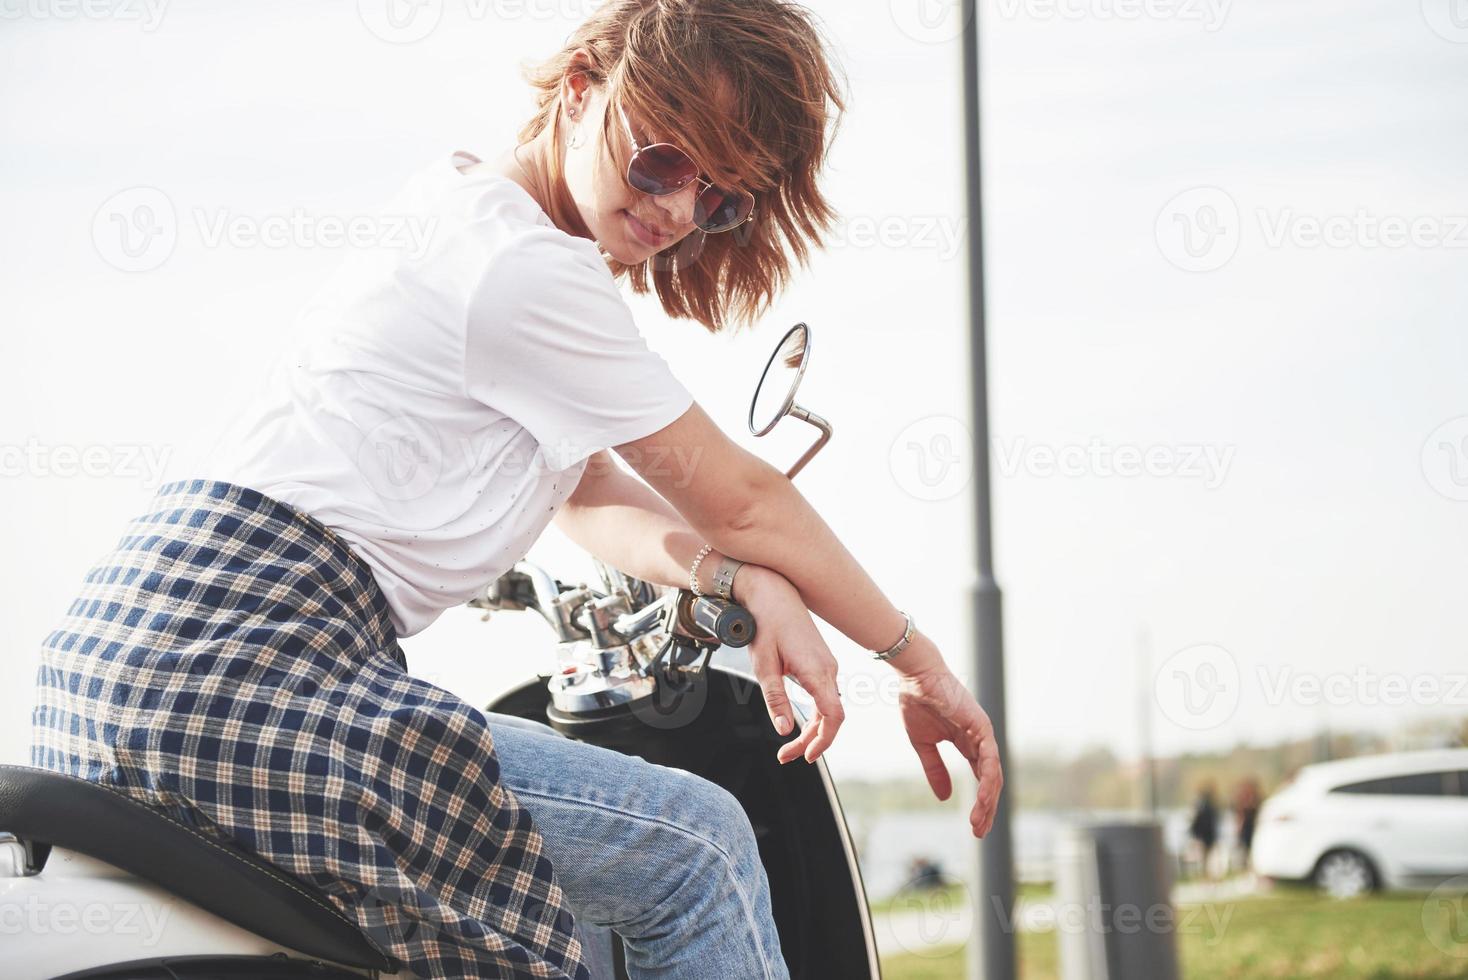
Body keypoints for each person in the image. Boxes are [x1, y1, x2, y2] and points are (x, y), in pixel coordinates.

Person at [30, 1, 1003, 977]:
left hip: (152, 652)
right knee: (696, 849)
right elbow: (742, 495)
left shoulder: (469, 216)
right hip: (242, 665)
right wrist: (917, 663)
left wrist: (734, 577)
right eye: (666, 161)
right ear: (581, 87)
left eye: (717, 199)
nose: (676, 211)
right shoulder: (522, 265)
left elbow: (585, 488)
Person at [1188, 781, 1220, 881]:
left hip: (1205, 836)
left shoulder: (1202, 806)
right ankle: (1207, 877)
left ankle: (1207, 877)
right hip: (1206, 836)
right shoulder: (1208, 806)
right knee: (1205, 858)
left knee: (1206, 858)